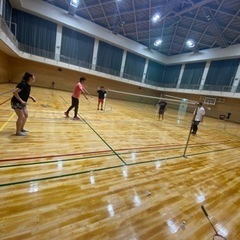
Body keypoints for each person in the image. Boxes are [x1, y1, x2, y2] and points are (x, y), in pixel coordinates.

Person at [11, 72, 36, 136]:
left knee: (26, 115)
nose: (34, 78)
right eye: (33, 77)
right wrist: (21, 100)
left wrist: (31, 97)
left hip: (22, 103)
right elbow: (14, 92)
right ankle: (18, 132)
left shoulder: (28, 84)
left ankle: (21, 129)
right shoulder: (23, 84)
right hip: (16, 102)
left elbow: (25, 93)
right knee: (21, 116)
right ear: (30, 78)